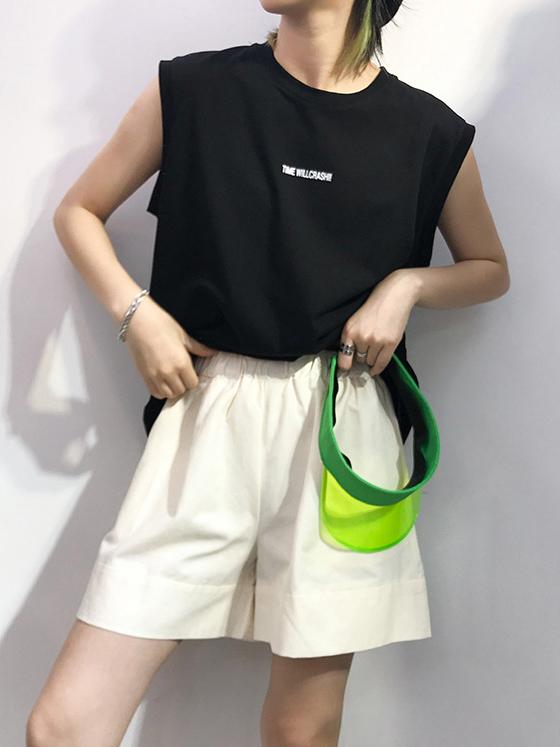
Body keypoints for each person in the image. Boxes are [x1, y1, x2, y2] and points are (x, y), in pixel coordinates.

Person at [27, 1, 510, 745]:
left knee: (300, 732)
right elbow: (78, 211)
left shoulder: (428, 131)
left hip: (343, 430)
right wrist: (137, 314)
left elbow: (489, 268)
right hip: (207, 413)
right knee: (64, 727)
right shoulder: (194, 91)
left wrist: (408, 285)